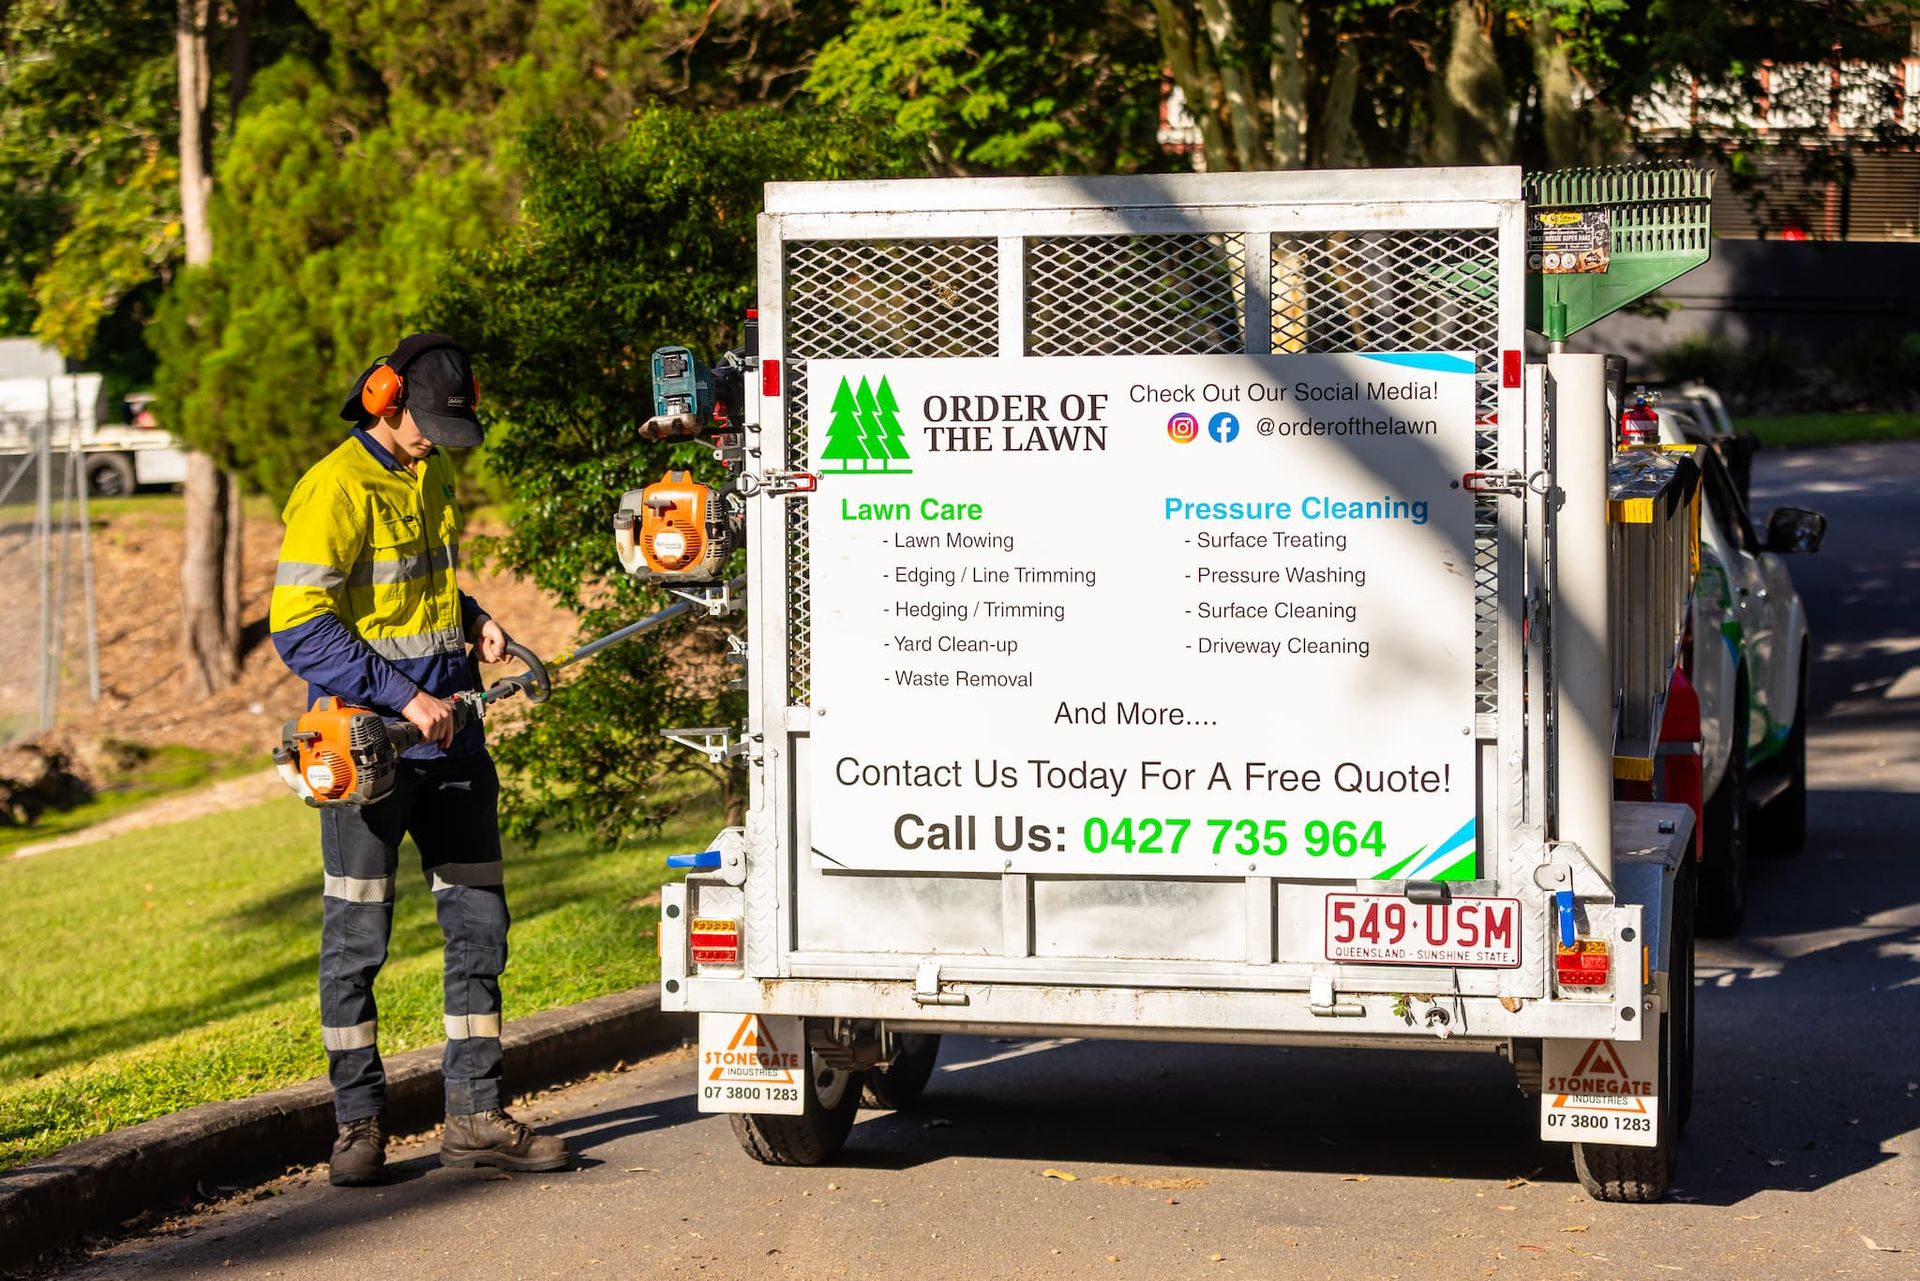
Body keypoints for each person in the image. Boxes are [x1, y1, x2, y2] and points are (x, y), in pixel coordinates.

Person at [270, 333, 569, 1186]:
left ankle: (475, 1114)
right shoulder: (334, 488)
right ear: (384, 400)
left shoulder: (425, 469)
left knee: (479, 928)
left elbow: (424, 584)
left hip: (454, 743)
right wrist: (404, 698)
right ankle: (358, 1125)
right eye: (427, 422)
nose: (437, 439)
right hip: (368, 749)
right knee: (356, 938)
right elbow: (299, 626)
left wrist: (475, 620)